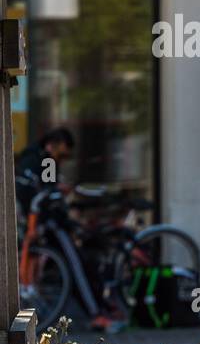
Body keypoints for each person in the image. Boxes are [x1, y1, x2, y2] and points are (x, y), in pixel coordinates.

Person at [14, 127, 124, 333]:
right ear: (53, 145)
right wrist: (58, 190)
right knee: (76, 265)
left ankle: (101, 308)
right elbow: (42, 192)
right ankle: (97, 314)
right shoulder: (43, 160)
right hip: (47, 224)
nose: (63, 158)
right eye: (63, 153)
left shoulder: (32, 159)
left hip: (41, 222)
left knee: (79, 263)